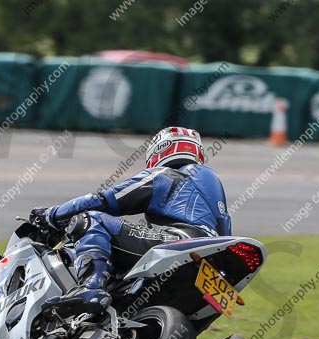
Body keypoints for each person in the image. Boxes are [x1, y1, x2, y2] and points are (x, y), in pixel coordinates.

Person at [30, 126, 231, 316]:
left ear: (159, 151)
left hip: (180, 242)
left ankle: (92, 286)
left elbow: (104, 200)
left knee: (92, 219)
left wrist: (52, 215)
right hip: (214, 263)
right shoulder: (213, 190)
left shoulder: (167, 175)